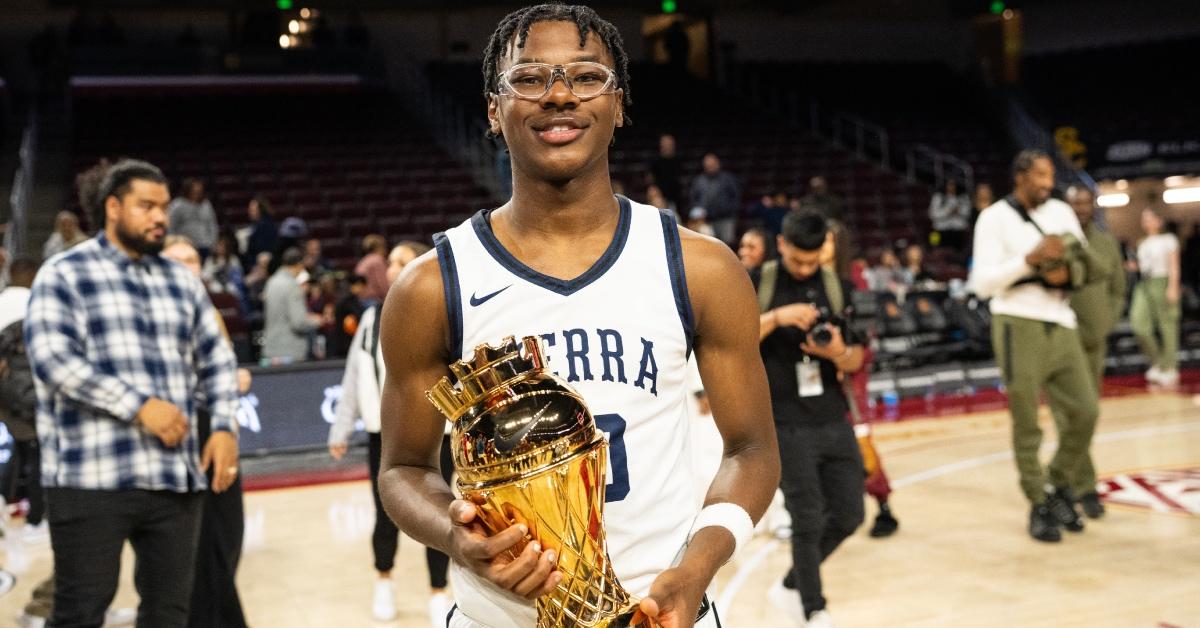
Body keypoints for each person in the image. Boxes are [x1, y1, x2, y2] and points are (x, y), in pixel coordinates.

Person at [377, 6, 780, 628]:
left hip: (662, 612)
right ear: (492, 108)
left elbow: (752, 451)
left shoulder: (700, 268)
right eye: (530, 78)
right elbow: (403, 469)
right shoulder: (431, 285)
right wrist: (458, 538)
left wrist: (697, 568)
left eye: (587, 77)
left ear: (618, 104)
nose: (560, 94)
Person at [24, 159, 240, 627]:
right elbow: (53, 359)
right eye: (147, 206)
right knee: (81, 610)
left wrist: (224, 426)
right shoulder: (63, 274)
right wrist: (138, 406)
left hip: (173, 477)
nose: (161, 217)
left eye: (163, 207)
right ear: (113, 207)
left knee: (169, 613)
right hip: (89, 478)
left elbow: (218, 360)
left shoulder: (181, 281)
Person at [970, 149, 1100, 543]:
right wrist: (1029, 261)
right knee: (1027, 423)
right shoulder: (993, 218)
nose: (1047, 183)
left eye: (1049, 176)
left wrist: (1066, 272)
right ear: (1020, 177)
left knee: (1086, 412)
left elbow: (1087, 262)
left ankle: (1058, 483)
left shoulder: (1061, 211)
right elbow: (982, 284)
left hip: (1062, 320)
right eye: (1040, 176)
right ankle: (1038, 502)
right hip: (1017, 322)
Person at [756, 210, 866, 627]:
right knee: (806, 516)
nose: (805, 268)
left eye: (813, 260)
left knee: (849, 514)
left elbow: (856, 358)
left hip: (832, 415)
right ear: (782, 244)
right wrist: (777, 317)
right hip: (781, 418)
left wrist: (835, 352)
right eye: (798, 260)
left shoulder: (837, 286)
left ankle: (790, 584)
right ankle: (813, 608)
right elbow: (732, 341)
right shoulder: (758, 280)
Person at [328, 242, 448, 626]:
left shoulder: (439, 310)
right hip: (384, 430)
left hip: (439, 429)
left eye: (401, 262)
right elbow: (353, 375)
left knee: (444, 509)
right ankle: (384, 580)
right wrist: (342, 425)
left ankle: (438, 591)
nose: (393, 269)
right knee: (384, 513)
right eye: (391, 263)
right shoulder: (370, 319)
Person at [161, 237, 250, 628]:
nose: (186, 266)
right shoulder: (158, 311)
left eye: (192, 259)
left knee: (229, 540)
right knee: (201, 550)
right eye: (176, 259)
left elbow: (221, 373)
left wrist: (235, 378)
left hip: (220, 436)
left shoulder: (208, 311)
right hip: (183, 439)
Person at [817, 225, 899, 539]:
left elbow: (866, 329)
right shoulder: (804, 277)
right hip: (815, 369)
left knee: (858, 436)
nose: (822, 246)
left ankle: (883, 502)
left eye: (828, 240)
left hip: (850, 369)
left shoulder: (853, 275)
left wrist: (846, 355)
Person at [1056, 185, 1125, 519]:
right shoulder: (1055, 241)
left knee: (1087, 414)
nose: (1081, 208)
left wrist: (1107, 320)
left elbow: (1119, 290)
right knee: (1069, 415)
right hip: (1059, 340)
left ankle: (1067, 481)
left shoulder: (1107, 242)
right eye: (1075, 203)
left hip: (1094, 340)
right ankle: (1081, 485)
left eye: (1086, 203)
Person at [1130, 207, 1181, 387]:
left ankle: (1170, 367)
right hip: (1145, 283)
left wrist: (1173, 286)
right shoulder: (1142, 242)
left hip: (1163, 280)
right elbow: (1144, 266)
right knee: (1139, 323)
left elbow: (1174, 264)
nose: (1147, 222)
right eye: (1144, 219)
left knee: (1167, 324)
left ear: (1159, 221)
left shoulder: (1168, 240)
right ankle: (1157, 362)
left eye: (1150, 218)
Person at [262, 247, 324, 363]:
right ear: (299, 265)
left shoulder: (271, 282)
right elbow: (299, 323)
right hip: (290, 352)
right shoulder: (292, 286)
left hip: (271, 350)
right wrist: (317, 321)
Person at [689, 153, 740, 244]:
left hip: (726, 219)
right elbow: (693, 199)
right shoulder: (699, 181)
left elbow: (735, 196)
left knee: (727, 245)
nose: (710, 167)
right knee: (709, 246)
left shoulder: (728, 178)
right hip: (707, 220)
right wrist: (699, 212)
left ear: (718, 163)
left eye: (712, 164)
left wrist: (730, 209)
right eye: (708, 165)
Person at [167, 178, 218, 260]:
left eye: (199, 191)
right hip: (185, 246)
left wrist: (212, 242)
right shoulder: (178, 205)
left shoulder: (206, 204)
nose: (197, 192)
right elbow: (170, 226)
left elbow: (212, 224)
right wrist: (173, 243)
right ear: (188, 190)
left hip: (204, 245)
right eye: (195, 190)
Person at [928, 179, 971, 250]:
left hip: (959, 231)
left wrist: (958, 211)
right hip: (940, 230)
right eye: (949, 185)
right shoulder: (938, 197)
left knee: (959, 251)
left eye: (953, 185)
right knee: (936, 244)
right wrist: (949, 211)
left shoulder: (963, 197)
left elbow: (967, 213)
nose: (951, 187)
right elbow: (933, 214)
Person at [239, 195, 277, 270]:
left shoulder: (265, 225)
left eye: (252, 210)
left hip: (262, 264)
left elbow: (264, 250)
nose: (249, 212)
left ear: (261, 210)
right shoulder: (256, 225)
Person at [648, 133, 682, 210]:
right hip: (659, 198)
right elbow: (650, 179)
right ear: (661, 145)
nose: (667, 146)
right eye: (665, 143)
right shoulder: (655, 161)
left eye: (669, 144)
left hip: (674, 198)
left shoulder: (678, 161)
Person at [355, 234, 390, 303]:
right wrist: (389, 298)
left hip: (361, 299)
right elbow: (382, 283)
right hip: (373, 300)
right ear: (380, 247)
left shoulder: (363, 261)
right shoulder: (378, 260)